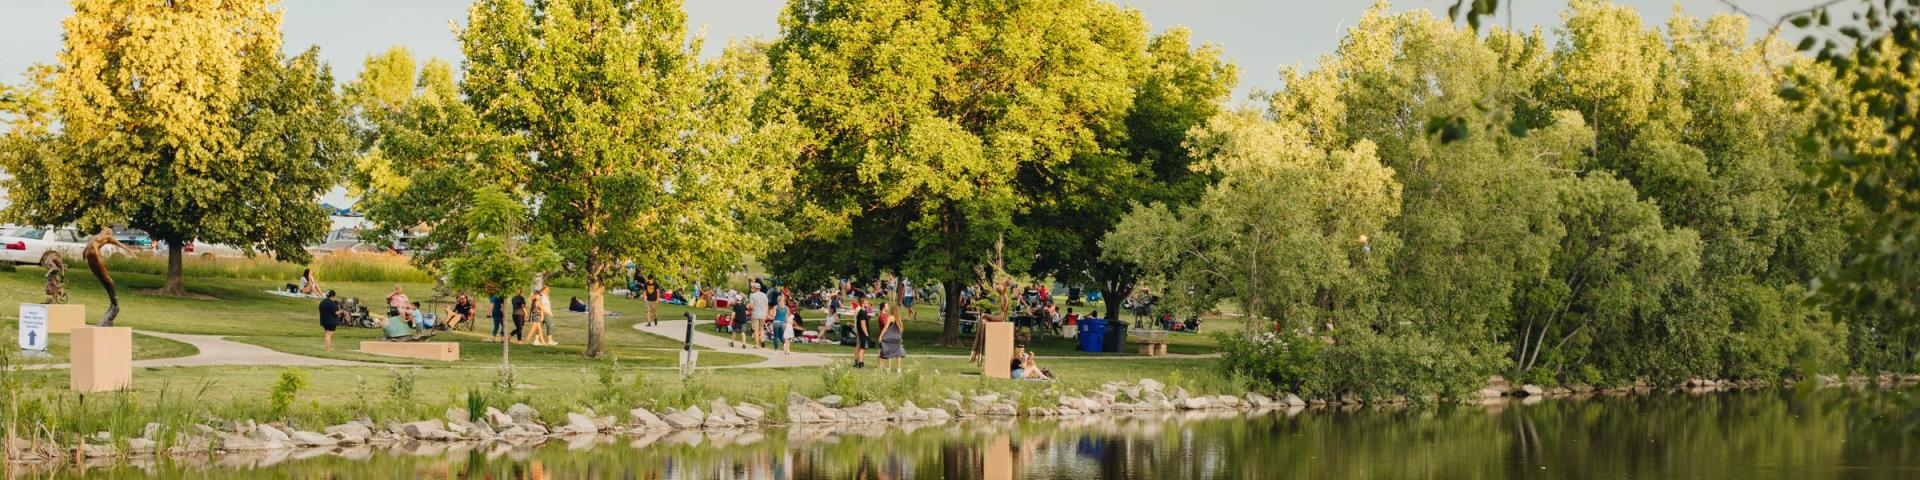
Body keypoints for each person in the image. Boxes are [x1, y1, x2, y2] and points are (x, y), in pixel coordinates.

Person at [878, 302, 906, 372]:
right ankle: (898, 369)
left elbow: (885, 328)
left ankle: (889, 368)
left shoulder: (890, 317)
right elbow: (901, 329)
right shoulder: (898, 318)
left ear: (892, 311)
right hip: (897, 337)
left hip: (890, 337)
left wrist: (881, 336)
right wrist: (901, 338)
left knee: (889, 352)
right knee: (898, 353)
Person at [852, 299, 874, 368]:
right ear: (862, 304)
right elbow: (863, 324)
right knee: (862, 348)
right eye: (866, 303)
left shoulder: (863, 312)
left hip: (860, 332)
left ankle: (857, 361)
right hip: (862, 332)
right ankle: (861, 364)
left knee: (860, 346)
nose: (867, 304)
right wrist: (866, 334)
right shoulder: (862, 313)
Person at [749, 285, 770, 349]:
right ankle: (762, 339)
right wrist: (766, 314)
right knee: (761, 328)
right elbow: (767, 306)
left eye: (753, 288)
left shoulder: (752, 295)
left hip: (755, 314)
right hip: (763, 314)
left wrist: (749, 307)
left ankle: (757, 345)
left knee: (756, 330)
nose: (753, 289)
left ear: (755, 288)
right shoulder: (764, 295)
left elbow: (751, 306)